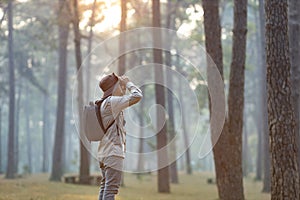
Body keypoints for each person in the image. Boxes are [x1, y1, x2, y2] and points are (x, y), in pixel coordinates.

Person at [96, 72, 143, 200]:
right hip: (113, 153)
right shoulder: (112, 102)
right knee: (111, 190)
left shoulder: (104, 103)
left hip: (104, 153)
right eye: (120, 86)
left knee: (105, 187)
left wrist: (122, 87)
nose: (122, 88)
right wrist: (128, 83)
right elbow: (137, 96)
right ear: (114, 87)